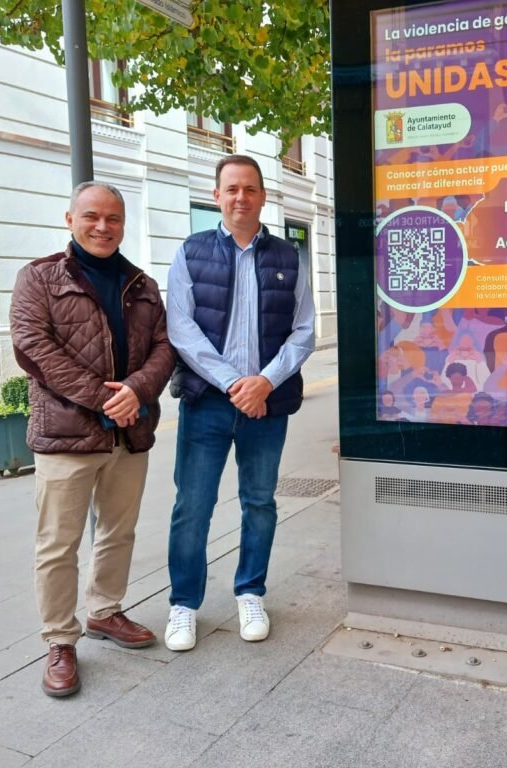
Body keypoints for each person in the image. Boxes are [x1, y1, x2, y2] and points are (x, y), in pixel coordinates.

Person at [10, 182, 175, 697]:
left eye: (113, 218)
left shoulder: (142, 285)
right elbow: (33, 346)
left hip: (129, 435)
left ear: (124, 224)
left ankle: (105, 611)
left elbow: (166, 348)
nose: (103, 227)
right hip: (66, 436)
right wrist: (105, 398)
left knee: (118, 532)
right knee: (58, 544)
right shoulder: (38, 277)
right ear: (70, 218)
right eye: (92, 216)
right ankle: (60, 640)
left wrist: (137, 390)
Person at [165, 154, 315, 650]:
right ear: (216, 196)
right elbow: (182, 331)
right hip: (208, 402)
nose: (240, 198)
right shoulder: (191, 252)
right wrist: (236, 383)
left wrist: (265, 383)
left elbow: (304, 331)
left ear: (262, 196)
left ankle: (250, 591)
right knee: (193, 505)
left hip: (266, 406)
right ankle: (183, 604)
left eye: (249, 189)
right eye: (231, 189)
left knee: (259, 502)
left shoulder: (290, 258)